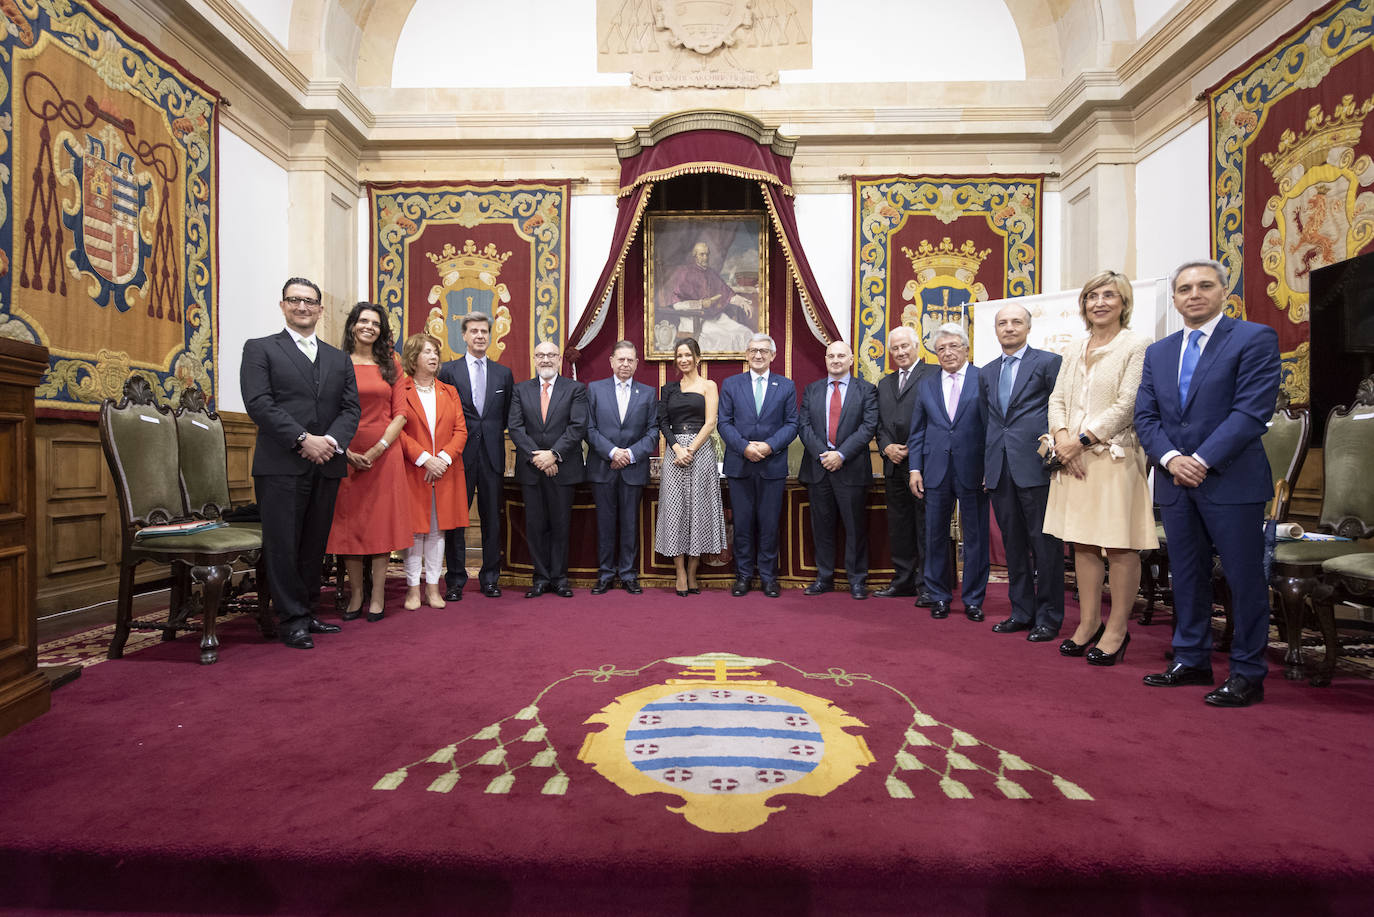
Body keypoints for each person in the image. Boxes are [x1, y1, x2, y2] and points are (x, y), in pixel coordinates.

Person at [1136, 259, 1280, 706]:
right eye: (1184, 289)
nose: (1193, 294)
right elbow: (1146, 416)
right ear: (1174, 298)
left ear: (1223, 291)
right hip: (1175, 481)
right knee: (1187, 576)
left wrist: (1200, 458)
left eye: (1204, 286)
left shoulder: (1254, 338)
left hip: (1231, 481)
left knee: (1243, 579)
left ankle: (1248, 673)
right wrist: (1173, 458)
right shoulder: (1159, 352)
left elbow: (1251, 412)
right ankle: (1192, 658)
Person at [1042, 271, 1157, 666]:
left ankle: (1117, 628)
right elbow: (1057, 399)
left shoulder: (1137, 344)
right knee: (1083, 543)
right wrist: (1061, 439)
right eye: (1092, 296)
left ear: (1123, 302)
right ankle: (1088, 622)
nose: (1100, 302)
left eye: (1109, 295)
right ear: (1084, 304)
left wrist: (1083, 439)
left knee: (1119, 544)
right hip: (1071, 459)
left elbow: (1128, 404)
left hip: (1113, 457)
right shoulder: (1075, 346)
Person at [241, 278, 359, 650]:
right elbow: (259, 402)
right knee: (283, 544)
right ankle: (289, 619)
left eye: (310, 302)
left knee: (313, 544)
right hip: (281, 464)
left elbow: (351, 408)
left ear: (321, 310)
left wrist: (331, 442)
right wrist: (302, 439)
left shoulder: (338, 358)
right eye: (295, 300)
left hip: (327, 462)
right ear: (283, 306)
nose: (303, 307)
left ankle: (308, 611)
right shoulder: (260, 349)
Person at [980, 303, 1065, 642]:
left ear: (1028, 327)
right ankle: (1021, 612)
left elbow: (1060, 410)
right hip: (999, 469)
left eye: (1016, 322)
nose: (1009, 327)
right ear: (996, 330)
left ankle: (1049, 617)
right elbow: (990, 421)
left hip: (1036, 467)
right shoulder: (986, 371)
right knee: (1013, 545)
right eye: (1003, 323)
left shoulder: (1047, 363)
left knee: (1045, 547)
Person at [326, 302, 412, 623]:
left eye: (375, 323)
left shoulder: (391, 363)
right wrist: (343, 449)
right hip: (345, 452)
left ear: (382, 330)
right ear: (352, 325)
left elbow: (401, 413)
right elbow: (329, 411)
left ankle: (377, 594)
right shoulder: (337, 362)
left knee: (379, 526)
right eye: (363, 321)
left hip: (384, 453)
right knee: (350, 526)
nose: (369, 327)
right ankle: (356, 595)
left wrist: (378, 449)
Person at [907, 323, 988, 622]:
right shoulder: (927, 384)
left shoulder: (983, 378)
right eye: (941, 348)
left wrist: (989, 468)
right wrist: (915, 468)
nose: (948, 352)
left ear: (966, 348)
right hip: (935, 471)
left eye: (954, 346)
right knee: (934, 536)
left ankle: (974, 599)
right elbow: (917, 431)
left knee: (976, 537)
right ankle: (939, 596)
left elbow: (992, 428)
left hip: (974, 470)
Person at [437, 312, 513, 600]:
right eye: (474, 331)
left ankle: (490, 579)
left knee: (492, 519)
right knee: (457, 520)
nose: (480, 336)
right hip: (458, 457)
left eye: (484, 331)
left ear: (490, 336)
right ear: (464, 336)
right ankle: (455, 580)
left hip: (493, 457)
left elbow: (504, 415)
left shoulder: (503, 373)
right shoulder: (448, 371)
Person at [718, 333, 798, 597]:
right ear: (746, 354)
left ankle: (767, 577)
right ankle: (742, 577)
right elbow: (724, 423)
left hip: (772, 464)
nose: (758, 355)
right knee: (741, 524)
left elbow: (792, 424)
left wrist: (768, 446)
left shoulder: (785, 386)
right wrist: (745, 447)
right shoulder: (730, 384)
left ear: (773, 355)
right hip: (740, 464)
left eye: (764, 351)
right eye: (753, 350)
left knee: (768, 523)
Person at [798, 340, 879, 599]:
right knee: (821, 527)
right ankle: (824, 577)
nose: (836, 360)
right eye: (831, 356)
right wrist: (825, 455)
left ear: (851, 359)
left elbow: (868, 427)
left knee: (855, 528)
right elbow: (804, 426)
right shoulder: (811, 390)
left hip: (851, 468)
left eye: (841, 356)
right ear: (825, 359)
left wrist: (841, 454)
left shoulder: (867, 390)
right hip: (819, 467)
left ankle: (857, 580)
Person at [507, 341, 587, 598]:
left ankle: (560, 578)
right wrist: (538, 458)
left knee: (561, 525)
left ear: (559, 359)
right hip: (532, 470)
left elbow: (577, 427)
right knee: (536, 525)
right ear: (533, 359)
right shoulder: (520, 390)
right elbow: (516, 428)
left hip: (563, 469)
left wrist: (553, 455)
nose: (545, 360)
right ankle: (540, 578)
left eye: (551, 355)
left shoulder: (575, 389)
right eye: (540, 355)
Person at [397, 333, 468, 611]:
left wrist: (443, 459)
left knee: (438, 531)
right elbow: (398, 431)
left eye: (436, 352)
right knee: (415, 532)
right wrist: (425, 459)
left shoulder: (449, 391)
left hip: (445, 472)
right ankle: (413, 589)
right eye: (427, 351)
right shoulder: (400, 390)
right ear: (413, 357)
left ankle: (433, 588)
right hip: (414, 471)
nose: (434, 356)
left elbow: (461, 430)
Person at [654, 338, 728, 596]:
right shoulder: (669, 389)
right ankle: (680, 572)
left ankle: (694, 571)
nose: (683, 359)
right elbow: (662, 422)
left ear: (698, 357)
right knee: (675, 511)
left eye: (688, 355)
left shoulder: (709, 385)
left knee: (699, 510)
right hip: (675, 454)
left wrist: (691, 450)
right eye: (679, 356)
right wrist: (676, 448)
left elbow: (710, 423)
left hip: (700, 451)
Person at [586, 341, 659, 594]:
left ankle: (628, 574)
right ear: (612, 361)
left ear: (637, 364)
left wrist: (628, 454)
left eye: (630, 360)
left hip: (632, 469)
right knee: (604, 524)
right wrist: (612, 452)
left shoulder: (648, 393)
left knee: (630, 524)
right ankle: (605, 574)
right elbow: (589, 429)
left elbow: (652, 432)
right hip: (602, 468)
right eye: (621, 359)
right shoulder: (594, 390)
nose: (625, 364)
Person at [874, 325, 937, 600]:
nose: (900, 352)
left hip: (923, 465)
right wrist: (887, 446)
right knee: (899, 526)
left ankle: (926, 585)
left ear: (917, 347)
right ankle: (902, 581)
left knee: (925, 526)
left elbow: (937, 418)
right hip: (892, 464)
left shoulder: (933, 375)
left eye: (904, 346)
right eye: (895, 348)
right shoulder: (885, 383)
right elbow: (879, 422)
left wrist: (913, 449)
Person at [667, 241, 756, 353]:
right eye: (702, 254)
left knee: (745, 332)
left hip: (715, 317)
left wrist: (743, 303)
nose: (706, 257)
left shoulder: (711, 273)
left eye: (707, 254)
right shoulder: (685, 273)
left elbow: (727, 294)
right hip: (693, 319)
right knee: (723, 338)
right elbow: (676, 304)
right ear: (695, 256)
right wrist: (700, 304)